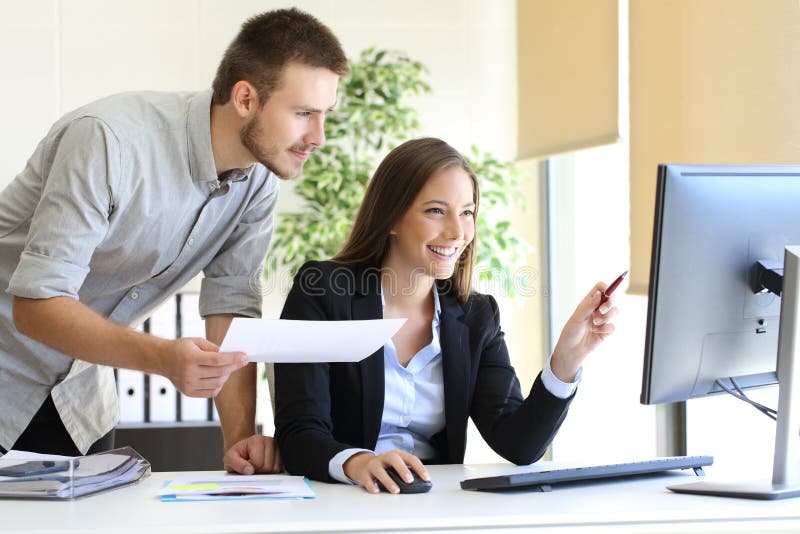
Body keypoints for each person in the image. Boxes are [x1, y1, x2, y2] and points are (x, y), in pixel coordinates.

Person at [0, 8, 348, 458]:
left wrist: (240, 440)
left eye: (326, 115)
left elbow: (231, 308)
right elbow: (36, 305)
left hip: (77, 403)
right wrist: (162, 357)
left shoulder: (258, 181)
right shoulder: (109, 141)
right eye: (304, 113)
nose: (318, 136)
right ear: (246, 99)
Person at [226, 137, 619, 492]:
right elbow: (300, 432)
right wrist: (358, 462)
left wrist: (566, 360)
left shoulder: (476, 315)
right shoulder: (324, 292)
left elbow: (519, 444)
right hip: (342, 497)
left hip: (433, 501)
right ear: (392, 218)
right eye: (436, 211)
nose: (457, 231)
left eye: (467, 212)